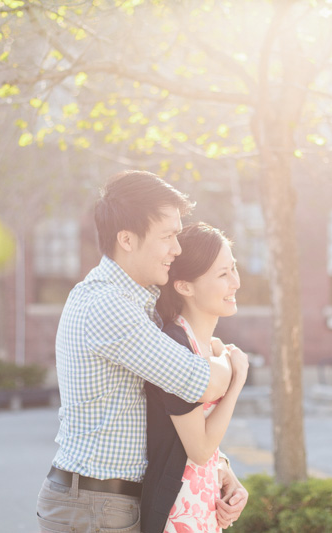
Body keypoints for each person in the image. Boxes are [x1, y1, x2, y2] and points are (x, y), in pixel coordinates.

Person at [36, 170, 248, 533]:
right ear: (127, 239)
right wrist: (233, 364)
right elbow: (198, 383)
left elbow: (168, 417)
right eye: (167, 236)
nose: (177, 248)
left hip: (106, 501)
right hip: (95, 505)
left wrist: (221, 466)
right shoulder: (108, 306)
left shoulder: (141, 303)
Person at [141, 223, 249, 533]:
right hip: (174, 514)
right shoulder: (175, 347)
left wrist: (227, 476)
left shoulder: (210, 348)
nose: (236, 282)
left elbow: (208, 452)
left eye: (234, 269)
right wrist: (237, 381)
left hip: (202, 507)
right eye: (222, 274)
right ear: (185, 286)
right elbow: (198, 448)